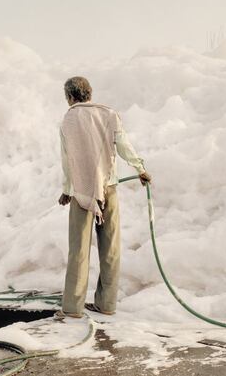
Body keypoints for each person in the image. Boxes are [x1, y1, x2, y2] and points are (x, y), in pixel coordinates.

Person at [56, 76, 151, 319]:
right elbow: (123, 145)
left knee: (79, 249)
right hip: (109, 188)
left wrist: (67, 190)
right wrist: (140, 168)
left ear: (70, 97)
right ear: (90, 93)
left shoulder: (69, 119)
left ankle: (72, 308)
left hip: (82, 192)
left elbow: (68, 160)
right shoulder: (109, 114)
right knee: (110, 249)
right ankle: (106, 304)